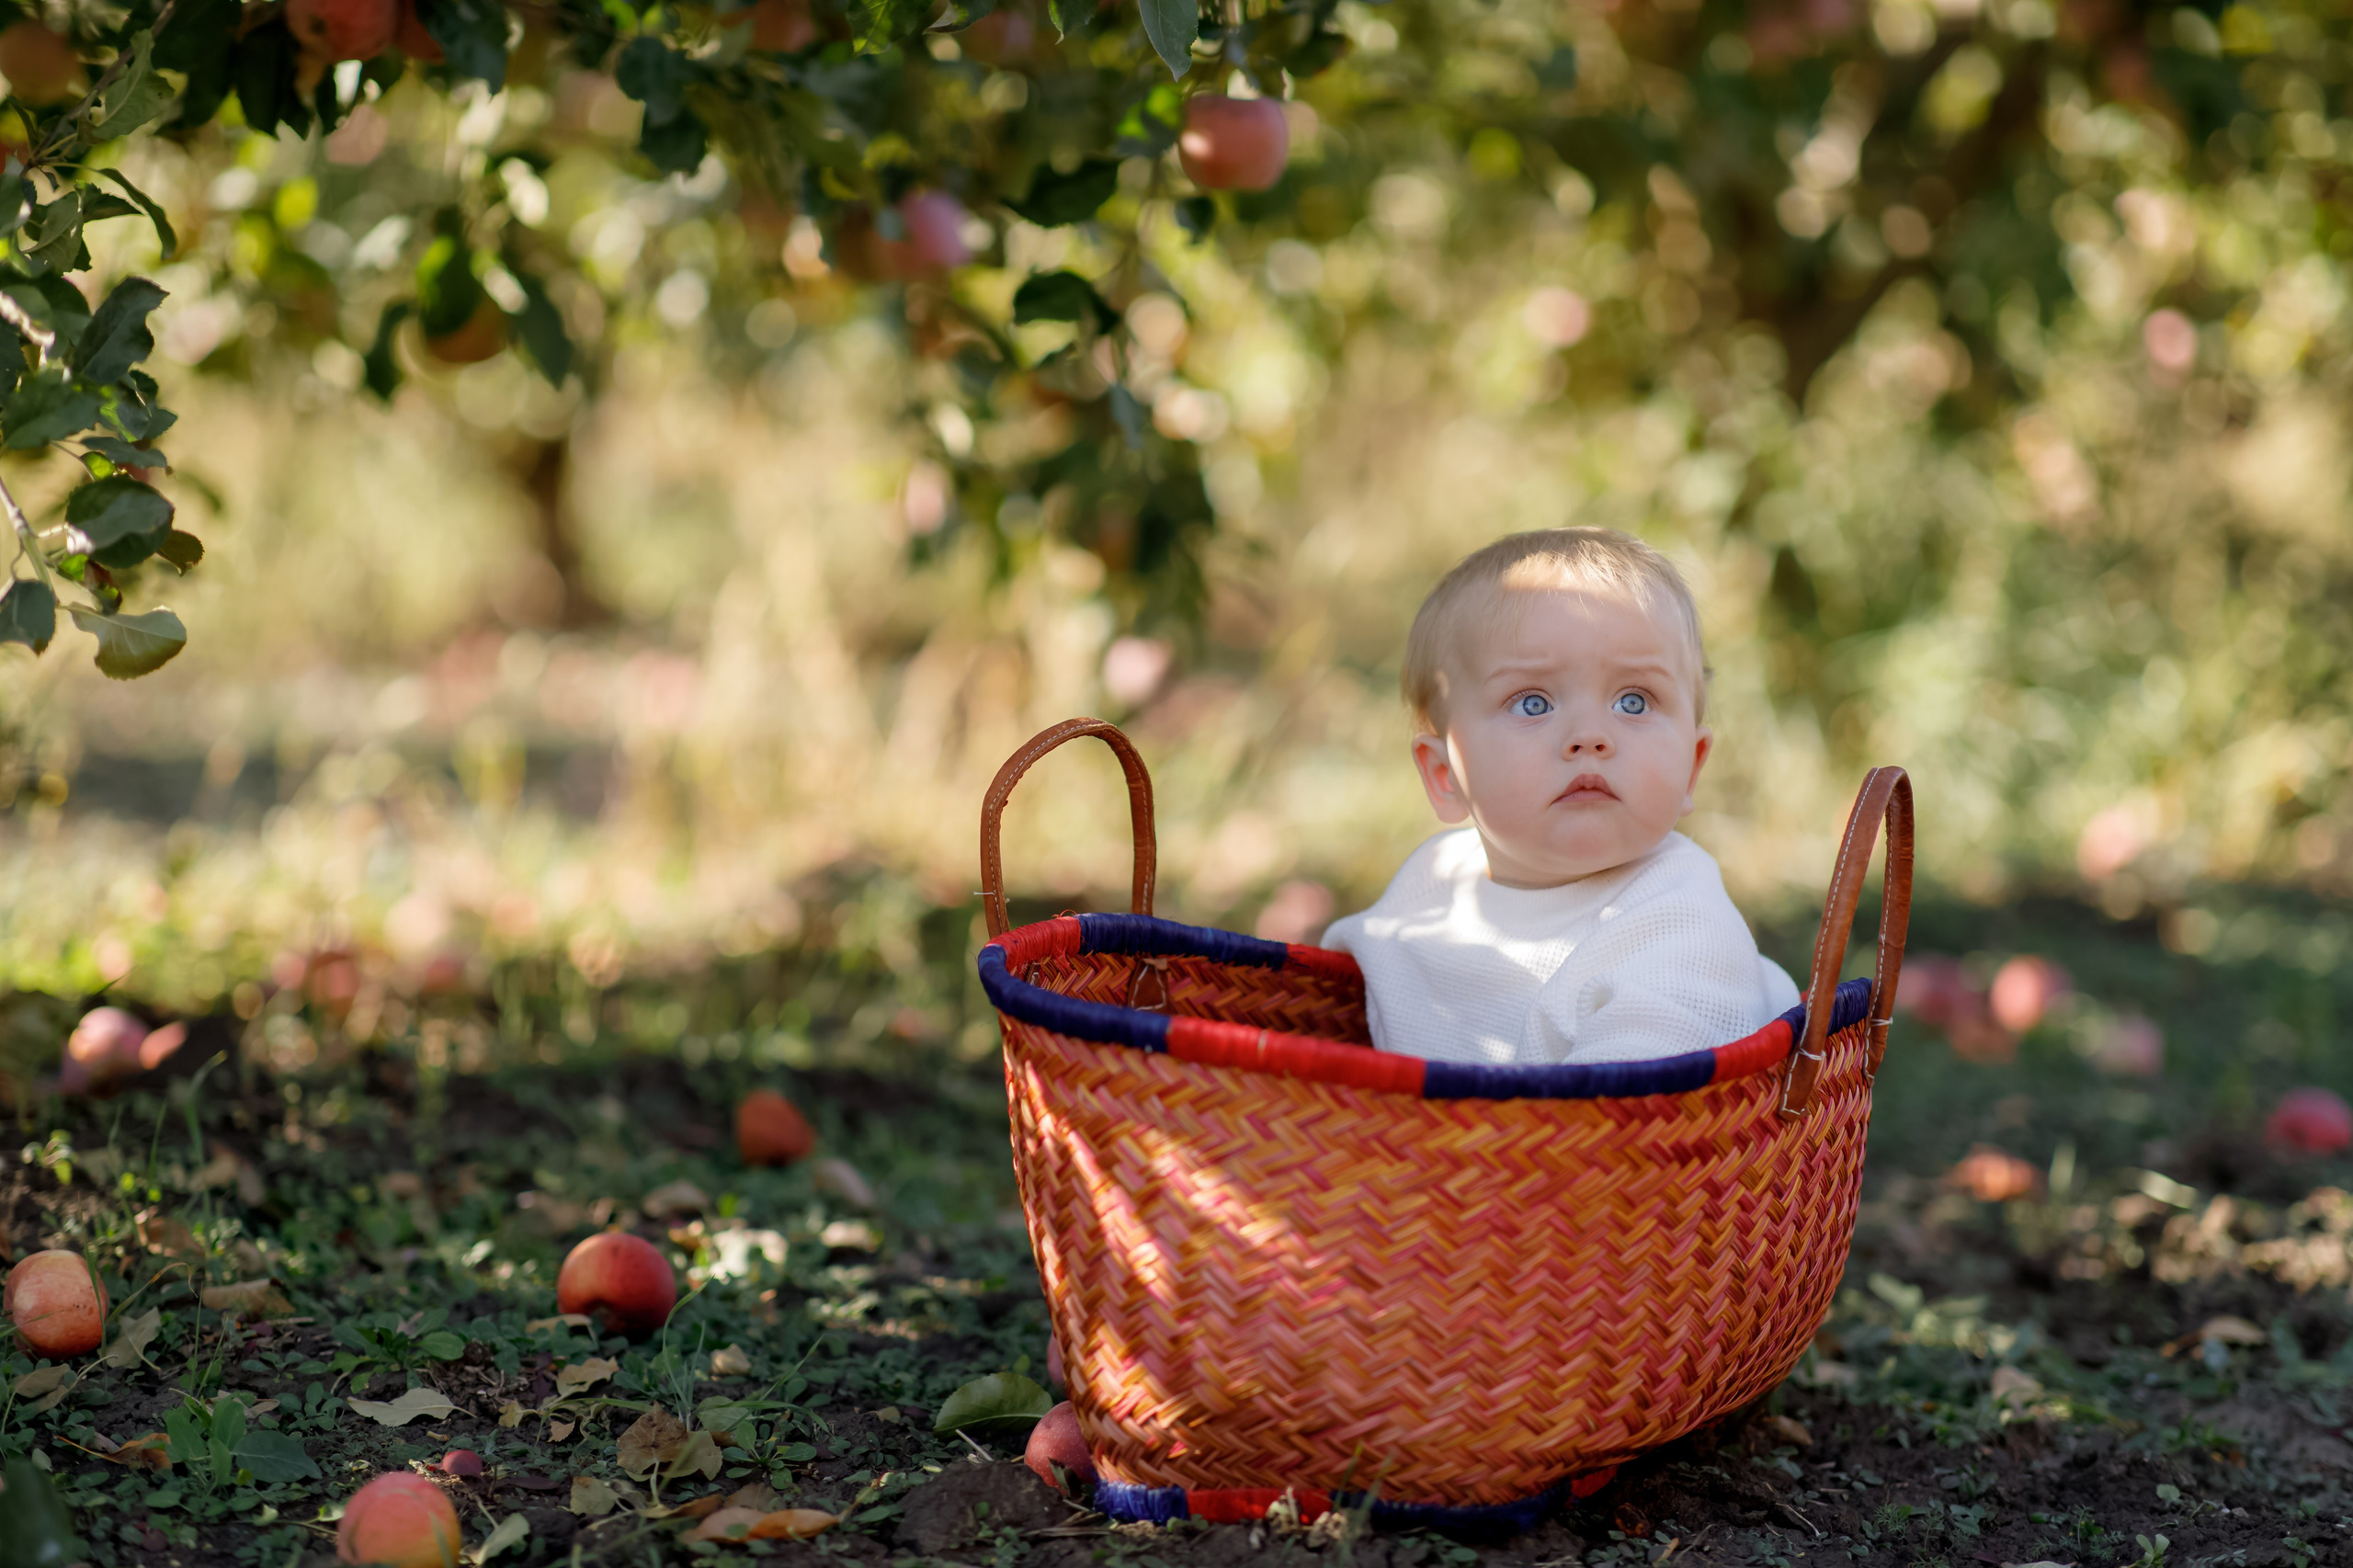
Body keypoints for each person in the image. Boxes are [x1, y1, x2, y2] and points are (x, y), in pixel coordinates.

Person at [1322, 528, 1799, 1065]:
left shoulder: (1680, 920)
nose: (1589, 736)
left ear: (1691, 766)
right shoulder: (1430, 887)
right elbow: (1333, 1005)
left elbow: (1639, 1105)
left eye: (1634, 701)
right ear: (1444, 775)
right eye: (1532, 703)